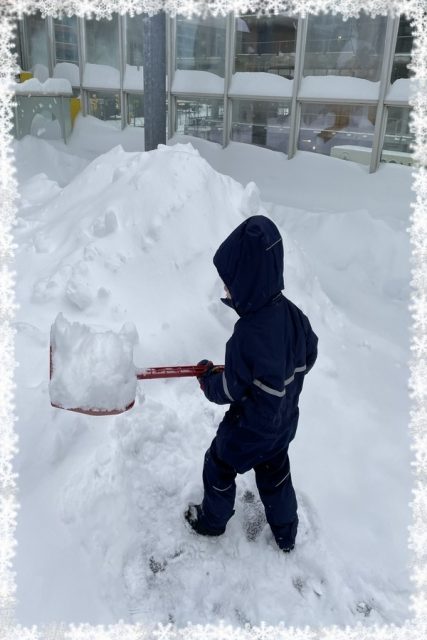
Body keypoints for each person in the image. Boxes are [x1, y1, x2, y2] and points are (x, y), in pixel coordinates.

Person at [185, 215, 318, 552]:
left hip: (250, 429)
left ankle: (212, 523)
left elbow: (228, 390)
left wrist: (207, 380)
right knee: (276, 477)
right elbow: (310, 354)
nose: (227, 289)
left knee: (218, 465)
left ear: (248, 279)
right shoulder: (294, 315)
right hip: (283, 422)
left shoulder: (246, 335)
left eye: (230, 282)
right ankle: (287, 533)